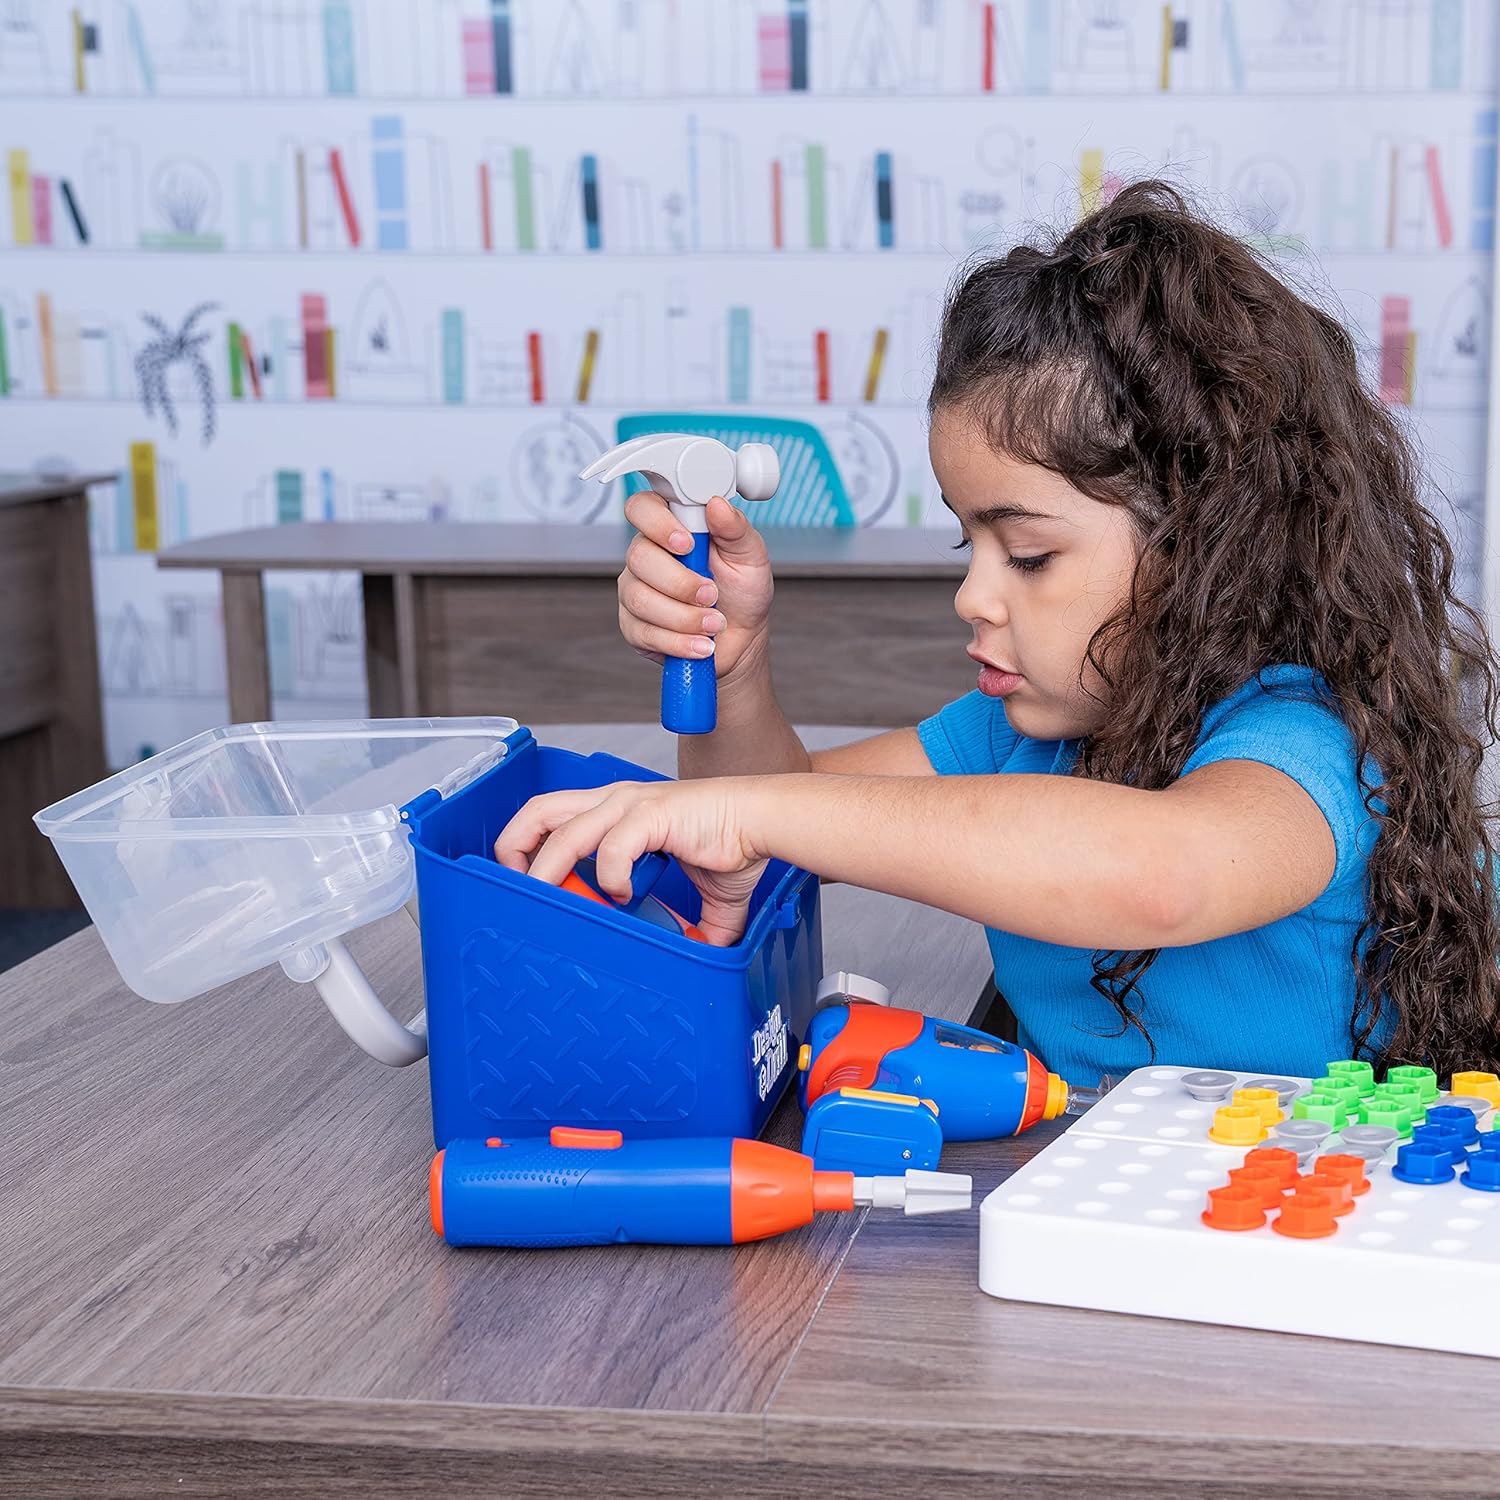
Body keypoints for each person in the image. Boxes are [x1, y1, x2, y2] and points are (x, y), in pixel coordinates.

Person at [495, 179, 1500, 1084]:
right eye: (964, 543)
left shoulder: (1306, 738)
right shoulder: (1018, 739)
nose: (973, 596)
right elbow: (754, 824)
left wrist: (757, 816)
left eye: (1026, 556)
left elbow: (1159, 875)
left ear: (1206, 544)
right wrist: (736, 666)